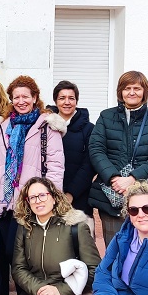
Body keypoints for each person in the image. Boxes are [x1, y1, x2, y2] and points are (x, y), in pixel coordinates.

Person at [0, 75, 65, 295]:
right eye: (16, 97)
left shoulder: (46, 126)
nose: (20, 101)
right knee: (4, 251)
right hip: (6, 202)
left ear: (35, 98)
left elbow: (55, 167)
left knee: (28, 256)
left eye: (25, 96)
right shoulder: (4, 127)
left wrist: (51, 201)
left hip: (33, 203)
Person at [6, 177, 99, 295]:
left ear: (54, 197)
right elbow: (18, 268)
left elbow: (94, 270)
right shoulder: (25, 228)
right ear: (27, 202)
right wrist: (42, 290)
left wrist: (59, 291)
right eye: (32, 198)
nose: (38, 201)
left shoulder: (76, 226)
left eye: (42, 195)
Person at [88, 71, 148, 246]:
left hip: (147, 197)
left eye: (137, 88)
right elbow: (96, 150)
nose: (132, 92)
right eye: (127, 88)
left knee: (147, 250)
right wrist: (114, 178)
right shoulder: (106, 116)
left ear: (145, 92)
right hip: (111, 197)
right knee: (116, 249)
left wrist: (133, 178)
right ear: (120, 92)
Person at [48, 80, 95, 215]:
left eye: (71, 98)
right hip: (49, 195)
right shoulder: (46, 125)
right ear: (56, 101)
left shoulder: (89, 129)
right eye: (62, 98)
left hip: (79, 196)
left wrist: (71, 193)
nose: (67, 102)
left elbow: (88, 165)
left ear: (76, 101)